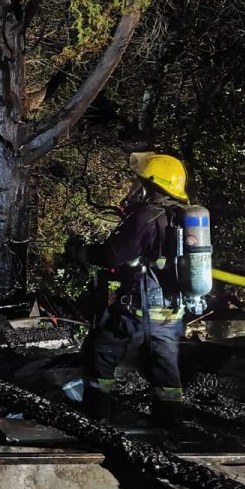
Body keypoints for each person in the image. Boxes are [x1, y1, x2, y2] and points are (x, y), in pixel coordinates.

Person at [64, 152, 190, 428]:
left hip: (139, 309)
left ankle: (96, 420)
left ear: (150, 185)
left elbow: (112, 255)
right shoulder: (180, 217)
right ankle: (171, 431)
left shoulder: (146, 216)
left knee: (100, 352)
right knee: (165, 371)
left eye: (138, 181)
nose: (134, 186)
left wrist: (80, 254)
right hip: (170, 312)